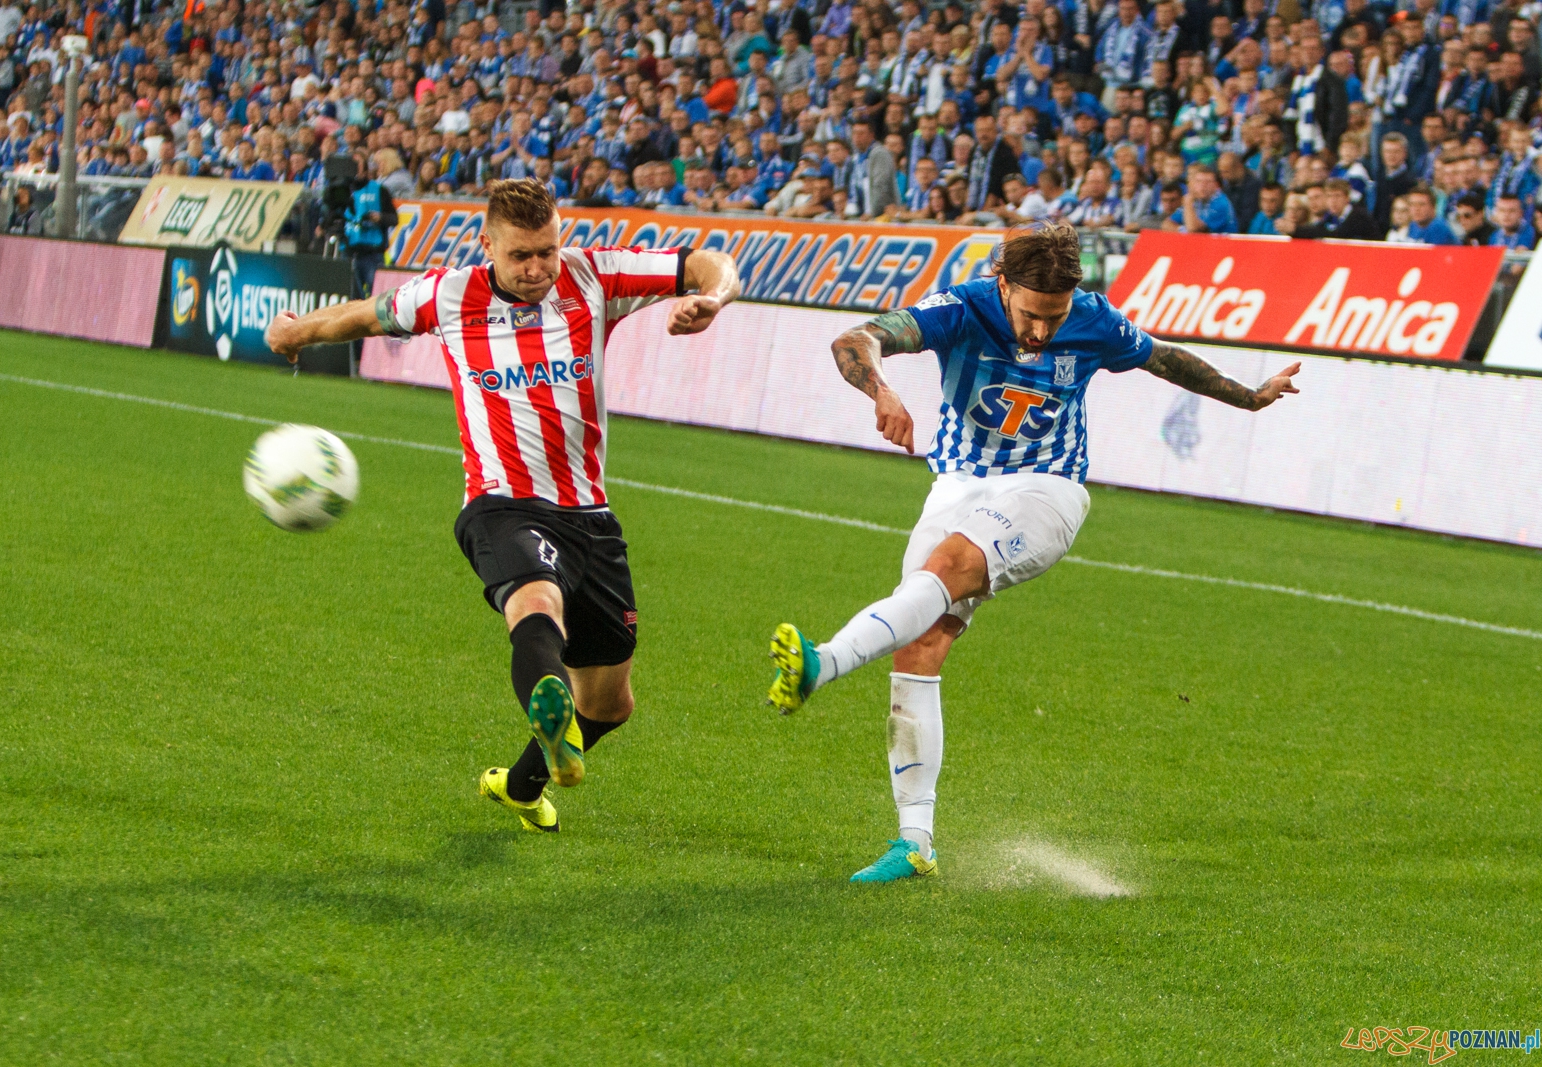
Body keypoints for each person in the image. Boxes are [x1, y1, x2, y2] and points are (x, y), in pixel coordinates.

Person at [764, 225, 1301, 882]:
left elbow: (1164, 357)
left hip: (1046, 492)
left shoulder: (1095, 320)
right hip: (958, 486)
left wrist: (1249, 397)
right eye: (1029, 314)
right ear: (1002, 286)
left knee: (948, 568)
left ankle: (821, 664)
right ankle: (915, 843)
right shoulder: (961, 308)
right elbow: (857, 339)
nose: (1043, 332)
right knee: (919, 645)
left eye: (1055, 317)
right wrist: (880, 389)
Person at [264, 179, 742, 833]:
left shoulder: (593, 276)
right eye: (520, 256)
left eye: (546, 250)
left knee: (609, 701)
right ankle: (548, 704)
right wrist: (298, 333)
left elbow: (706, 261)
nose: (537, 268)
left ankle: (523, 784)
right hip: (501, 505)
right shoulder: (449, 294)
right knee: (536, 602)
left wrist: (712, 298)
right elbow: (364, 315)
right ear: (486, 244)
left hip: (590, 516)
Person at [343, 165, 399, 296]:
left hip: (373, 252)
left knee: (375, 297)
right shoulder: (344, 191)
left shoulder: (380, 190)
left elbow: (394, 219)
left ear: (366, 171)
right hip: (350, 252)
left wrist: (380, 217)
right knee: (351, 297)